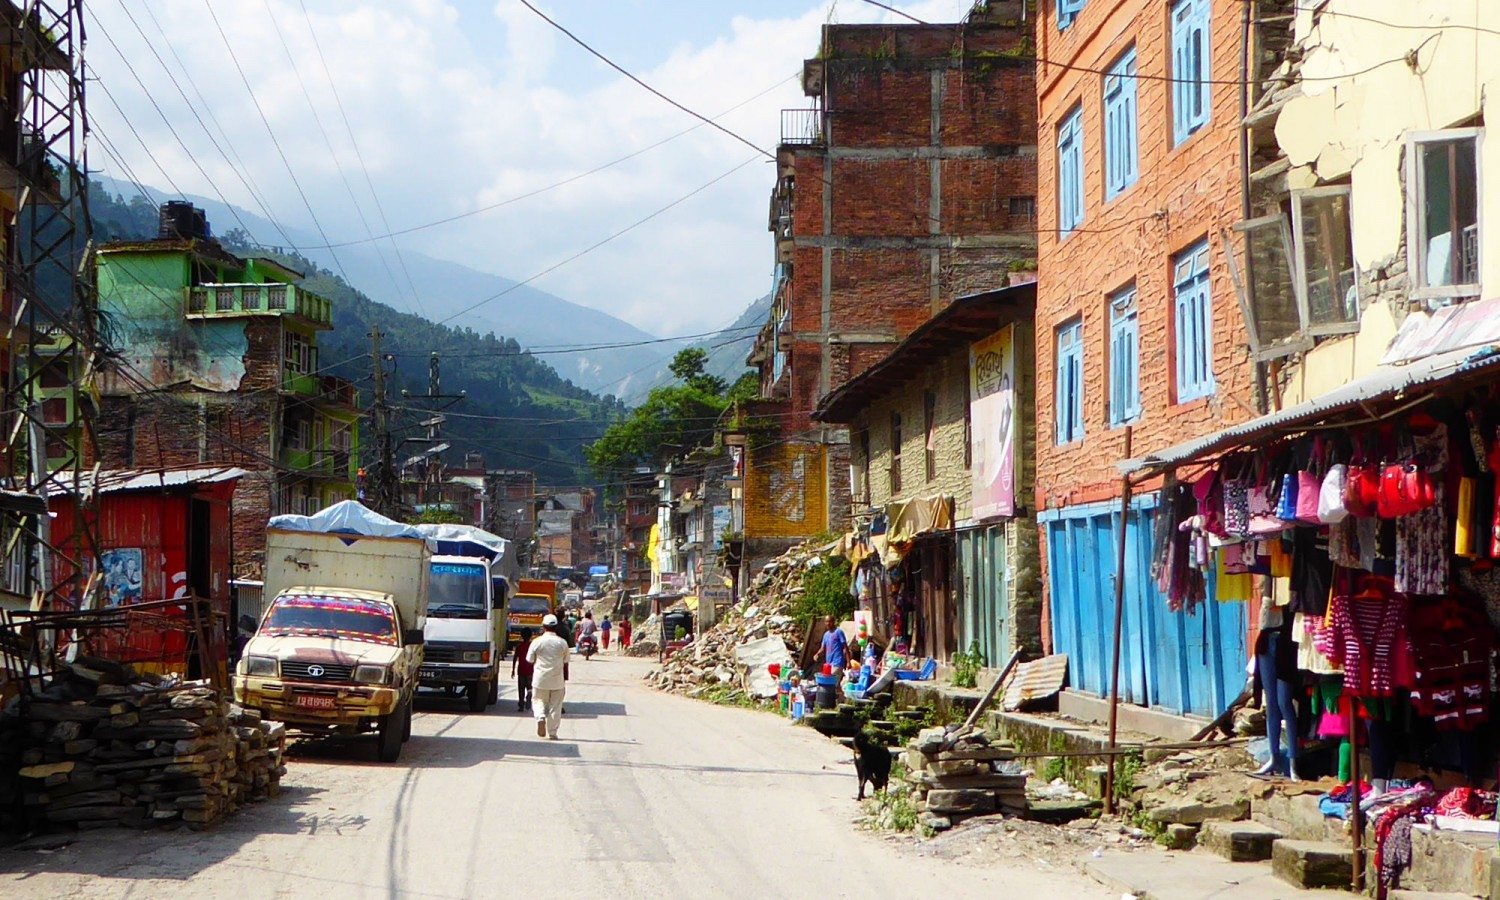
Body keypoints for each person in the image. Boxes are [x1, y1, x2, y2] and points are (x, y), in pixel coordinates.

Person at [526, 615, 570, 739]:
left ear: (543, 626)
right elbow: (566, 659)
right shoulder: (562, 642)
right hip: (557, 681)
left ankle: (540, 717)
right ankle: (552, 732)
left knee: (538, 700)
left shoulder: (537, 642)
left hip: (540, 679)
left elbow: (529, 659)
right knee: (555, 705)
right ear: (555, 627)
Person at [814, 614, 849, 680]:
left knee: (830, 681)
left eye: (829, 621)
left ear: (833, 622)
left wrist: (848, 662)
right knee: (832, 684)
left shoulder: (838, 632)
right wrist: (817, 654)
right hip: (828, 664)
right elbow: (823, 648)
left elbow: (845, 647)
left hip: (837, 662)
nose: (828, 623)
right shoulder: (826, 635)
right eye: (826, 622)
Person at [510, 627, 535, 712]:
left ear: (521, 636)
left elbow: (515, 658)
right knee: (529, 686)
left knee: (521, 689)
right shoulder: (532, 646)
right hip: (530, 671)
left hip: (521, 670)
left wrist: (513, 669)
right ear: (531, 636)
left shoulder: (519, 646)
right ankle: (529, 694)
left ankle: (521, 705)